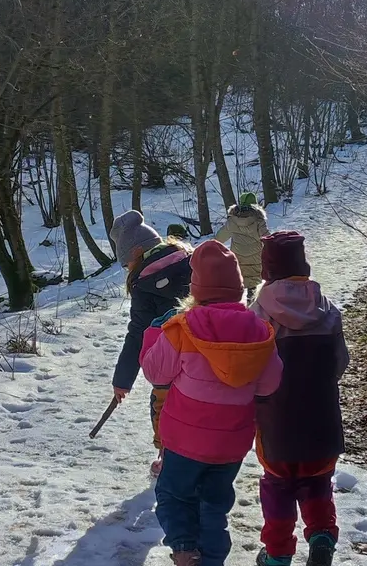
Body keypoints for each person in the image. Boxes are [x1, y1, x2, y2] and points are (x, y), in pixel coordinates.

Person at [139, 240, 283, 566]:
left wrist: (153, 338)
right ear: (238, 290)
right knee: (215, 505)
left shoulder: (181, 329)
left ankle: (185, 549)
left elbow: (155, 373)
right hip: (231, 443)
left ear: (196, 289)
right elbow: (271, 383)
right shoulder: (261, 332)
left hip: (184, 441)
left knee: (173, 494)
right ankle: (212, 559)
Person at [249, 231, 349, 566]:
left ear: (268, 268)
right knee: (317, 479)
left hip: (275, 417)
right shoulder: (328, 308)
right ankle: (322, 535)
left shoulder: (259, 312)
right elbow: (340, 363)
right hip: (322, 414)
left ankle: (277, 553)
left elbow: (252, 368)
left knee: (277, 485)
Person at [108, 210, 192, 477]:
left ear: (135, 254)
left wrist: (122, 379)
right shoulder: (191, 261)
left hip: (168, 360)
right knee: (200, 403)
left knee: (163, 407)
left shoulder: (145, 284)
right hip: (206, 352)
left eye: (125, 264)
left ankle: (168, 456)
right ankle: (202, 455)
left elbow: (137, 334)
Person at [214, 192, 269, 300]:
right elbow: (266, 237)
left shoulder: (233, 219)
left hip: (238, 257)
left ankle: (235, 303)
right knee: (252, 284)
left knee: (238, 279)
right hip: (255, 257)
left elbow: (221, 237)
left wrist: (213, 245)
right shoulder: (259, 220)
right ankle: (251, 303)